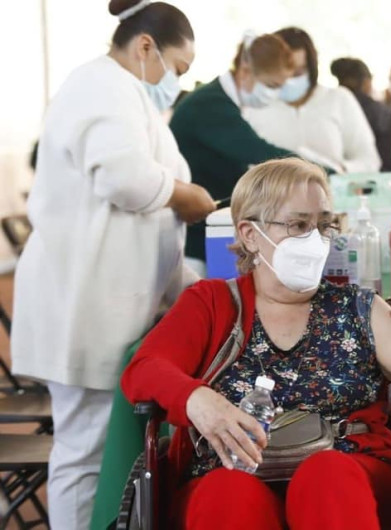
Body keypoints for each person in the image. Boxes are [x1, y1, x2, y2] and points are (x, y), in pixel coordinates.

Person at [121, 158, 391, 530]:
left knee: (327, 474)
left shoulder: (361, 309)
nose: (315, 239)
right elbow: (144, 368)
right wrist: (198, 399)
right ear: (250, 234)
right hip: (229, 470)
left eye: (324, 224)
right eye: (298, 225)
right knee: (227, 492)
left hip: (347, 473)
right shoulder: (212, 303)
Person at [10, 1, 216, 527]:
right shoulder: (98, 86)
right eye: (178, 68)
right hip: (80, 301)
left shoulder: (130, 96)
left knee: (99, 449)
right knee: (84, 451)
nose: (176, 83)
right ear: (146, 46)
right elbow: (125, 179)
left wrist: (198, 291)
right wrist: (186, 196)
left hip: (104, 300)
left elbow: (152, 228)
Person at [169, 33, 302, 274]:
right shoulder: (210, 105)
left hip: (206, 226)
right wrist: (312, 170)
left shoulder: (224, 101)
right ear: (245, 70)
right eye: (271, 86)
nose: (274, 94)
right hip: (194, 234)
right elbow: (257, 151)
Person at [245, 27, 380, 174]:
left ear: (311, 67)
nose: (288, 79)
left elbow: (369, 161)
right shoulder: (254, 106)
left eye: (297, 72)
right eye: (282, 71)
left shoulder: (339, 99)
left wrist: (339, 170)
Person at [330, 57, 391, 172]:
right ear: (366, 81)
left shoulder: (330, 108)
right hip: (378, 177)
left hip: (339, 175)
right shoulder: (381, 111)